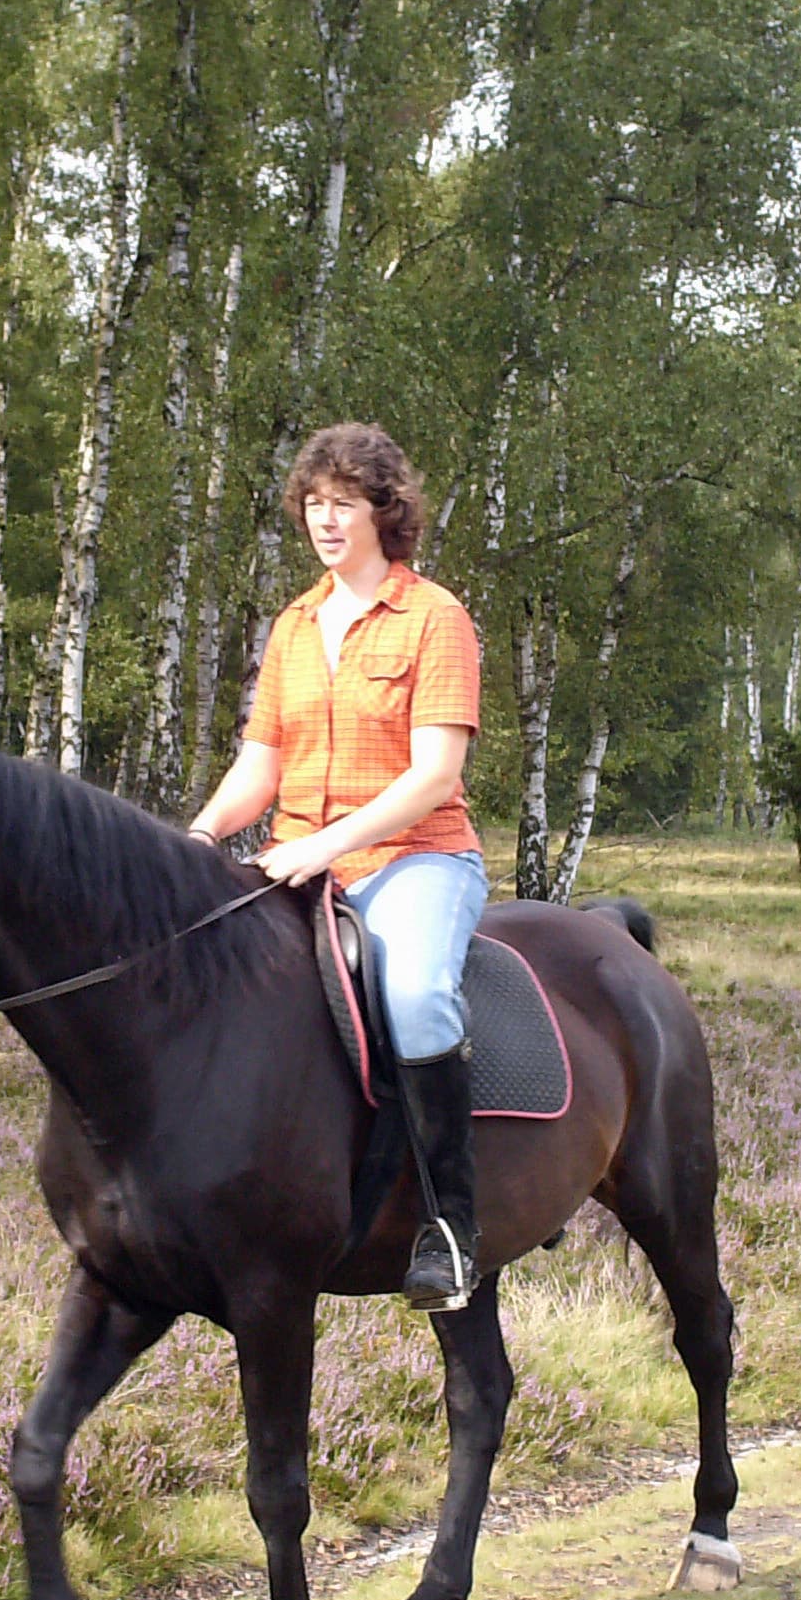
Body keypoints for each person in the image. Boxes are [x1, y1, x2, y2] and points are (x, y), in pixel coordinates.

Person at [186, 423, 490, 1310]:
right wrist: (200, 839)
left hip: (414, 858)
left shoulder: (436, 618)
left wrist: (326, 845)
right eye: (314, 504)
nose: (325, 520)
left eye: (343, 504)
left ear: (383, 512)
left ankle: (450, 1226)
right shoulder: (295, 624)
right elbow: (261, 766)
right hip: (295, 859)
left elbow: (434, 774)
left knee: (416, 994)